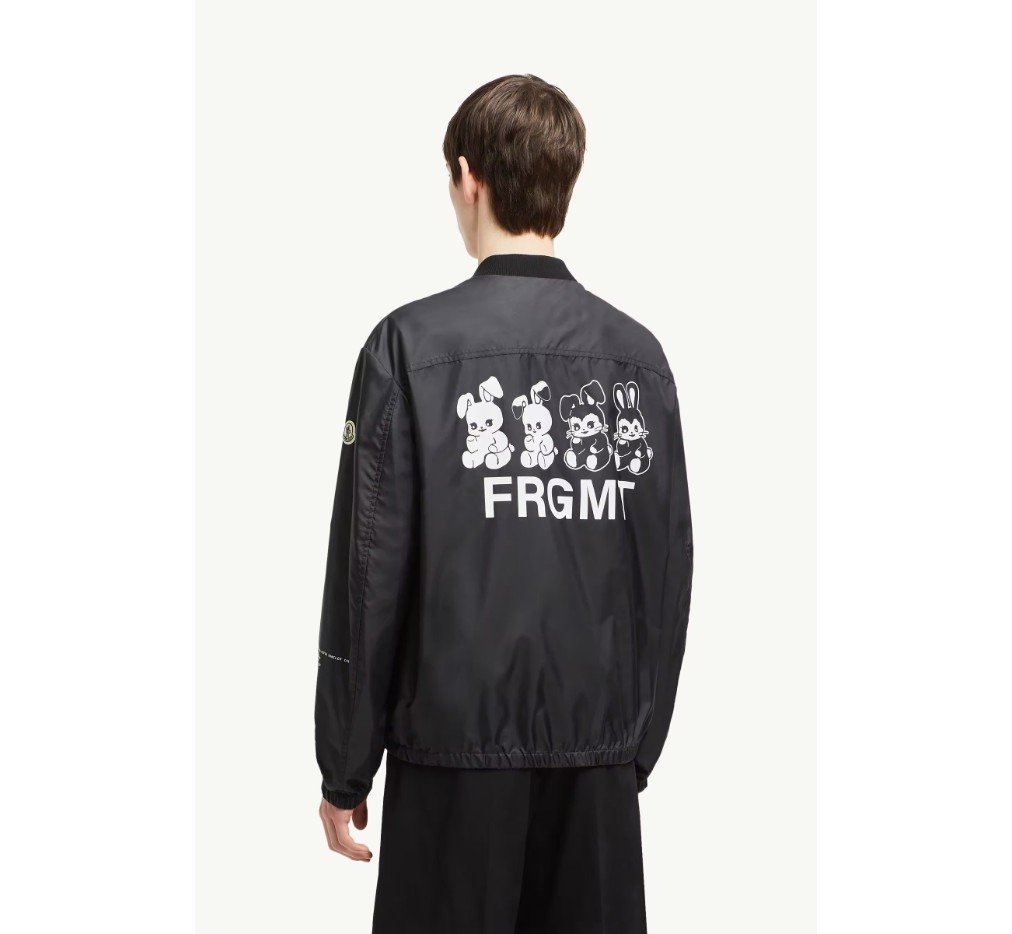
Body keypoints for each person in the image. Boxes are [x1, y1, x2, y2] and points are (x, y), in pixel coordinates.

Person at [315, 74, 693, 934]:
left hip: (451, 767)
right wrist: (634, 749)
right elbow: (666, 571)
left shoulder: (408, 347)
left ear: (466, 176)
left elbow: (368, 573)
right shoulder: (638, 360)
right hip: (597, 769)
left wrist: (345, 766)